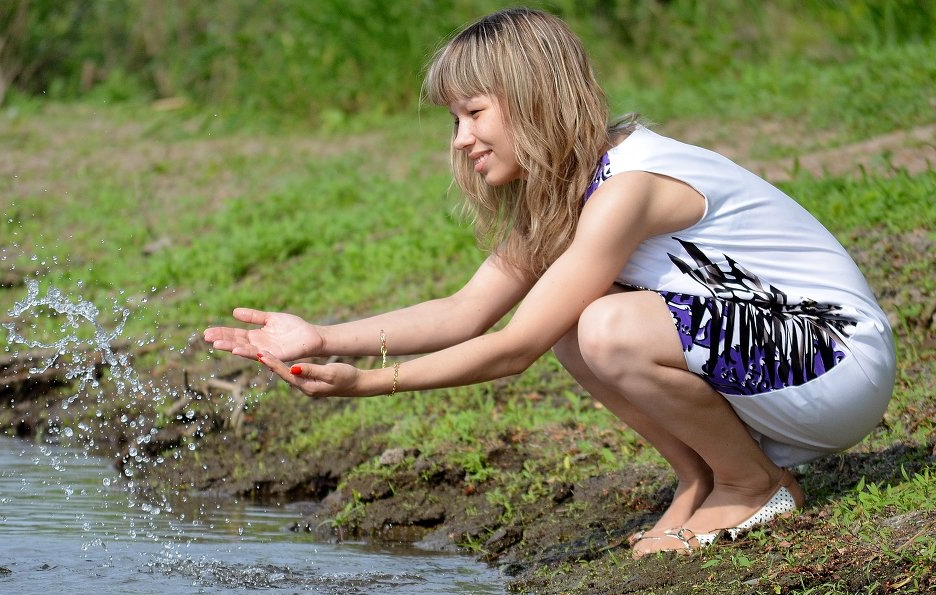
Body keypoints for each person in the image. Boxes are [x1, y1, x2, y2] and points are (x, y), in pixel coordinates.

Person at [203, 7, 894, 557]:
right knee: (572, 320)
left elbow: (513, 347)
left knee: (600, 323)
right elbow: (465, 309)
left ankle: (751, 483)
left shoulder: (629, 186)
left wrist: (366, 385)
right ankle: (702, 476)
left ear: (533, 98)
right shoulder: (565, 197)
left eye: (474, 113)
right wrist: (324, 337)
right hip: (778, 359)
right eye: (454, 120)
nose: (460, 139)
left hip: (835, 360)